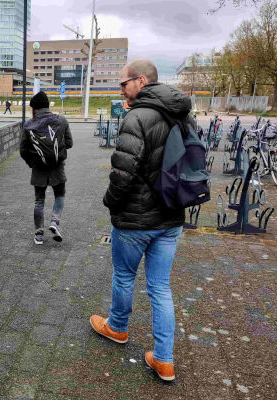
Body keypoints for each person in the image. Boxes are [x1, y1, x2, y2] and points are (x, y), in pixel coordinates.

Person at [90, 59, 192, 382]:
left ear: (142, 81)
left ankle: (118, 327)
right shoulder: (182, 114)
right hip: (171, 218)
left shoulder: (136, 117)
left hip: (135, 220)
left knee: (123, 276)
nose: (121, 89)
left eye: (124, 83)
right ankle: (164, 360)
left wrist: (110, 204)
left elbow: (122, 173)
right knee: (160, 288)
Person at [20, 91, 73, 245]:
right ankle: (55, 222)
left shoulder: (29, 125)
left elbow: (23, 150)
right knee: (60, 194)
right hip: (57, 167)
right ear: (48, 105)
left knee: (39, 201)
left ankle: (38, 234)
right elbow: (69, 143)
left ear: (34, 108)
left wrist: (32, 163)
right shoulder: (61, 121)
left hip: (38, 169)